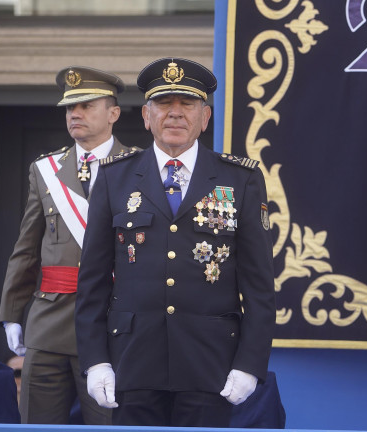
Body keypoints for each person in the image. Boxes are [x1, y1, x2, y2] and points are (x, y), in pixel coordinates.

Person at [75, 57, 276, 427]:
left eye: (187, 104)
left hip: (209, 363)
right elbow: (92, 281)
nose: (176, 114)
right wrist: (95, 360)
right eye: (165, 104)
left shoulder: (239, 179)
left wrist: (249, 364)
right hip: (132, 362)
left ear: (205, 118)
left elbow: (260, 286)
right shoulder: (114, 177)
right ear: (147, 117)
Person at [0, 66, 133, 425]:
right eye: (70, 107)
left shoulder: (139, 167)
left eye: (87, 105)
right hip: (49, 322)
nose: (75, 114)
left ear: (113, 113)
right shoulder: (45, 170)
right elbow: (26, 247)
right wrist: (12, 312)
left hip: (112, 323)